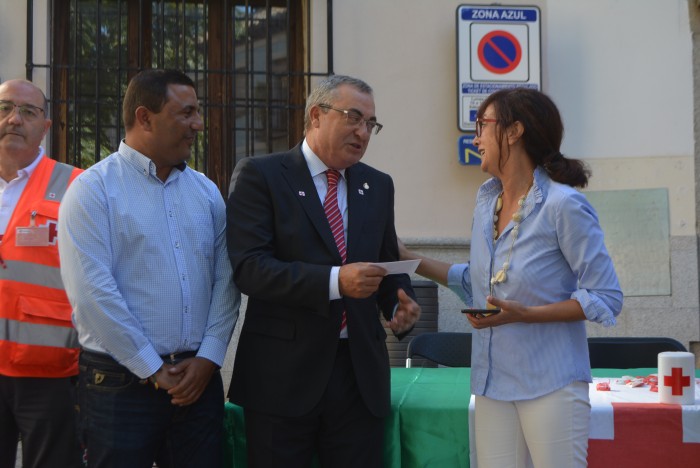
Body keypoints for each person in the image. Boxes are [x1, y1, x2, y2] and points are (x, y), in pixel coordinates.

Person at [399, 88, 623, 467]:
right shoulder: (487, 200)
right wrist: (407, 259)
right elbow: (480, 281)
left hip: (550, 384)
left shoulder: (563, 205)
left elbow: (606, 296)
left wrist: (526, 314)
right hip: (491, 383)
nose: (476, 138)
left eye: (481, 125)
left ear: (513, 131)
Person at [226, 74, 421, 468]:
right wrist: (336, 282)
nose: (363, 132)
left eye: (370, 124)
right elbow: (250, 269)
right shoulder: (261, 176)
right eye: (353, 117)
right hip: (283, 378)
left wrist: (400, 303)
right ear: (316, 115)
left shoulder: (378, 186)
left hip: (359, 377)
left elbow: (385, 265)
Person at [58, 69, 241, 468]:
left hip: (199, 380)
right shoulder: (92, 191)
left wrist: (210, 357)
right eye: (186, 112)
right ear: (144, 117)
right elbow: (92, 294)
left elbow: (226, 279)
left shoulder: (206, 192)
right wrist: (152, 368)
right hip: (120, 385)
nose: (198, 124)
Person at [0, 79, 84, 468]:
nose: (14, 119)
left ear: (45, 126)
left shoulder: (75, 186)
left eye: (28, 112)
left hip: (49, 372)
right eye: (5, 108)